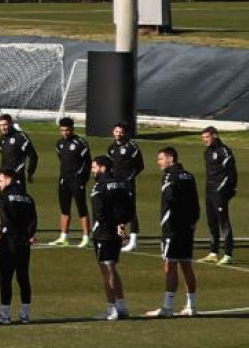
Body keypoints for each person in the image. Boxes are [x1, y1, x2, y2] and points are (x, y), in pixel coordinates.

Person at [146, 147, 200, 317]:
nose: (159, 162)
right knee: (186, 265)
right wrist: (192, 222)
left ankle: (168, 306)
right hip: (187, 227)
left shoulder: (170, 177)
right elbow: (195, 202)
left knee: (170, 264)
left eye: (161, 159)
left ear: (170, 158)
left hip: (172, 227)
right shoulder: (189, 176)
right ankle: (191, 306)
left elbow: (170, 200)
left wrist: (167, 223)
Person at [90, 156, 134, 320]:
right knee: (113, 269)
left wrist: (111, 224)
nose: (92, 171)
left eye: (94, 167)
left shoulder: (99, 187)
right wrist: (121, 224)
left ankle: (111, 309)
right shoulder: (122, 184)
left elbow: (99, 212)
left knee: (106, 271)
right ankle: (121, 306)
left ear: (103, 168)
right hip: (117, 233)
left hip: (104, 233)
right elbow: (130, 208)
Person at [0, 168, 38, 324]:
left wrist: (4, 234)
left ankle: (5, 315)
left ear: (8, 179)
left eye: (0, 181)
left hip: (9, 242)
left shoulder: (3, 197)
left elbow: (5, 218)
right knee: (23, 277)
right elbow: (33, 219)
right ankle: (25, 315)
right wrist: (29, 235)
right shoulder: (27, 198)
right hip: (24, 242)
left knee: (6, 278)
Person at [51, 117, 92, 247]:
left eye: (67, 130)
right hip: (64, 180)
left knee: (81, 208)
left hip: (77, 181)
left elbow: (88, 163)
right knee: (64, 208)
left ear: (72, 129)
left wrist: (82, 179)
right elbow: (61, 159)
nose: (65, 133)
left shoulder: (81, 143)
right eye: (63, 130)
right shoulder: (59, 143)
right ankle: (63, 237)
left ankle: (86, 237)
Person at [199, 126, 237, 265]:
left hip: (220, 192)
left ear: (214, 136)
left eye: (207, 137)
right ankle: (213, 252)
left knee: (223, 222)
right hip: (209, 191)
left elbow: (231, 172)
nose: (205, 140)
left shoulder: (224, 151)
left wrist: (229, 189)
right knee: (211, 222)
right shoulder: (207, 152)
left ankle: (228, 254)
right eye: (203, 138)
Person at [106, 123, 143, 252]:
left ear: (125, 133)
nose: (119, 134)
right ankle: (120, 236)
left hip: (128, 184)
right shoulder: (111, 148)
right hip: (115, 183)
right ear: (113, 132)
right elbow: (110, 166)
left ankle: (133, 241)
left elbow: (140, 165)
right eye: (116, 131)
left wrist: (130, 178)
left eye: (121, 132)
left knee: (131, 211)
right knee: (116, 209)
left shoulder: (132, 146)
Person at [0, 114, 39, 183]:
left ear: (11, 124)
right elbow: (4, 156)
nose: (2, 128)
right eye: (0, 125)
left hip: (17, 177)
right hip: (4, 178)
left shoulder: (20, 137)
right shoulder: (2, 139)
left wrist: (30, 173)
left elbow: (33, 156)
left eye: (5, 125)